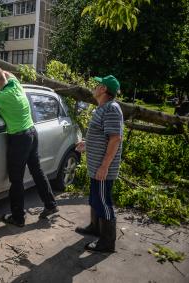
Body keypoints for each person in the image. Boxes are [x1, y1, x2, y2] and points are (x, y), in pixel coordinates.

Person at [0, 66, 58, 227]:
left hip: (19, 139)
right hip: (32, 133)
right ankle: (51, 204)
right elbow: (6, 73)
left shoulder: (2, 96)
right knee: (37, 170)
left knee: (16, 179)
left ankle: (18, 217)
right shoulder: (15, 84)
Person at [75, 75, 123, 253]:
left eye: (97, 85)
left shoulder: (111, 108)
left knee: (103, 202)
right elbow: (102, 135)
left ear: (103, 89)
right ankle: (95, 228)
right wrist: (86, 144)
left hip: (103, 169)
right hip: (96, 167)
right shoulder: (102, 108)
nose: (94, 87)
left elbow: (115, 138)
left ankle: (107, 242)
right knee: (95, 199)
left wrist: (104, 167)